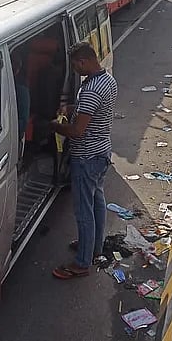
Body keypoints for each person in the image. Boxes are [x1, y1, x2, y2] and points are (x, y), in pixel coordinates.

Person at [50, 41, 117, 279]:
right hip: (102, 153)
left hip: (86, 157)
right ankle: (94, 246)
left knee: (83, 211)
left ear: (83, 61)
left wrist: (56, 127)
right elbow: (90, 111)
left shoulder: (90, 90)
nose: (75, 71)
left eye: (76, 65)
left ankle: (82, 263)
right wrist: (73, 108)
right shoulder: (106, 80)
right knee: (97, 200)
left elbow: (77, 131)